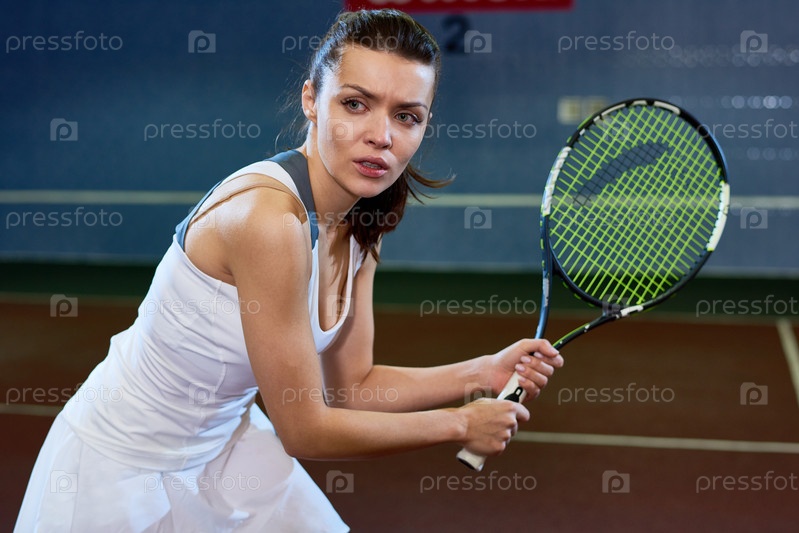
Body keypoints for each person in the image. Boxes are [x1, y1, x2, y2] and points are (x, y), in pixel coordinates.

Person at [16, 8, 563, 532]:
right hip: (118, 466)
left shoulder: (362, 224)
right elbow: (304, 429)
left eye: (406, 116)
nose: (382, 135)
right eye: (356, 104)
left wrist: (482, 373)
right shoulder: (268, 220)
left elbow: (353, 387)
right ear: (311, 100)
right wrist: (459, 422)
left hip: (222, 448)